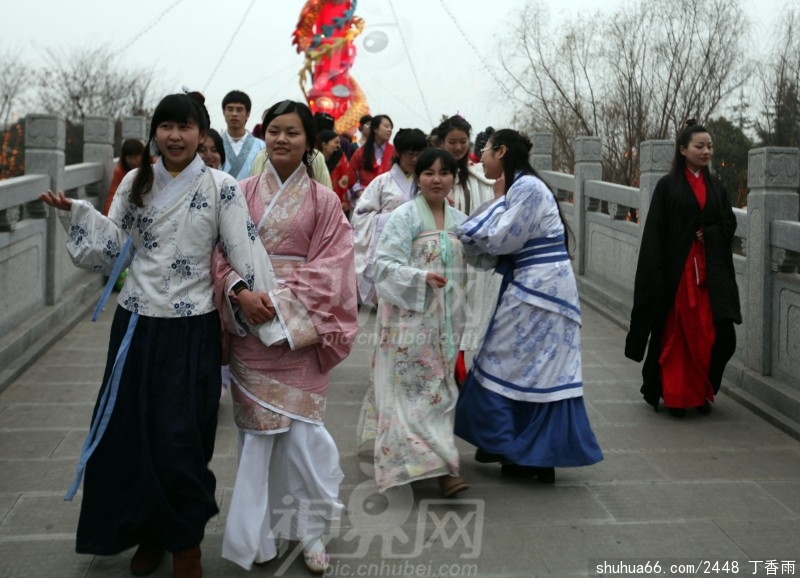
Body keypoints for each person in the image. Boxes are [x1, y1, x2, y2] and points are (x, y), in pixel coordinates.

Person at [39, 92, 278, 578]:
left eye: (185, 127)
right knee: (129, 433)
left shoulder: (222, 187)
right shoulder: (135, 181)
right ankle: (147, 533)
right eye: (166, 126)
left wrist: (253, 296)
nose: (175, 136)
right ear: (156, 132)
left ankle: (183, 540)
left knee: (182, 437)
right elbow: (113, 250)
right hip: (136, 323)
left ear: (202, 135)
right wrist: (76, 214)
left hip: (191, 330)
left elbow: (242, 251)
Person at [212, 99, 358, 574]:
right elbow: (217, 252)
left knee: (305, 438)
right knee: (258, 439)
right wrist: (238, 291)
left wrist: (279, 300)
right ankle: (256, 538)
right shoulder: (239, 192)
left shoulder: (325, 201)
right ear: (264, 135)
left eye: (292, 132)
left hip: (300, 333)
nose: (281, 139)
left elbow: (335, 267)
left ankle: (311, 530)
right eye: (274, 130)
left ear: (308, 143)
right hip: (251, 332)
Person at [454, 129, 603, 484]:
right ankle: (502, 441)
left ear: (502, 151)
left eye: (485, 152)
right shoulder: (523, 186)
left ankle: (530, 452)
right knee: (510, 361)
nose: (481, 158)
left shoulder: (527, 188)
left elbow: (503, 237)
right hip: (534, 288)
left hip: (541, 293)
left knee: (527, 367)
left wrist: (460, 232)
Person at [357, 148, 471, 498]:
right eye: (429, 173)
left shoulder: (461, 220)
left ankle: (428, 459)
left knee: (439, 391)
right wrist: (421, 276)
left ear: (455, 178)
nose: (437, 179)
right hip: (409, 322)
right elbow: (384, 265)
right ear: (417, 178)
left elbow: (480, 258)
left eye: (445, 173)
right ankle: (444, 468)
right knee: (414, 392)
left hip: (447, 324)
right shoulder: (404, 217)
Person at [625, 120, 741, 416]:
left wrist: (710, 233)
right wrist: (656, 274)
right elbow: (655, 232)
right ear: (683, 149)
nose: (706, 151)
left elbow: (729, 224)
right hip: (678, 276)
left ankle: (701, 390)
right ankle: (676, 396)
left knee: (712, 335)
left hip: (709, 275)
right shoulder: (667, 186)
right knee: (679, 335)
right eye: (699, 146)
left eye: (709, 146)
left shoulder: (716, 187)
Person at [434, 115, 501, 382]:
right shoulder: (434, 174)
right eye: (452, 141)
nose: (458, 147)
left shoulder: (478, 177)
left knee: (468, 315)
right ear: (442, 142)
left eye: (463, 141)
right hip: (439, 258)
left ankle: (461, 372)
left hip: (472, 261)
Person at [350, 127, 428, 305]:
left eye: (419, 154)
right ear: (398, 153)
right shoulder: (382, 182)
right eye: (410, 154)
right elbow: (361, 213)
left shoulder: (425, 181)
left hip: (416, 242)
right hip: (385, 243)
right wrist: (387, 220)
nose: (415, 159)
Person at [348, 114, 395, 202]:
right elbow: (351, 173)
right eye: (386, 126)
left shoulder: (395, 152)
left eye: (391, 127)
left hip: (389, 198)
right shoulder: (360, 152)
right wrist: (359, 191)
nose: (389, 130)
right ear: (375, 129)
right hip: (364, 197)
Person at [221, 90, 266, 180]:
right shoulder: (215, 144)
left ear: (247, 114)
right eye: (230, 109)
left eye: (239, 110)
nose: (234, 114)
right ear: (224, 112)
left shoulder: (262, 146)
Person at [102, 138, 144, 216]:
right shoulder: (120, 172)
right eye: (130, 157)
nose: (133, 161)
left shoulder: (153, 166)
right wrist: (107, 217)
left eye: (136, 157)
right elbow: (113, 195)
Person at [317, 128, 351, 213]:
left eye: (339, 143)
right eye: (336, 143)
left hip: (336, 201)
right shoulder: (313, 158)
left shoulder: (340, 157)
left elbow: (348, 177)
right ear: (324, 144)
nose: (339, 146)